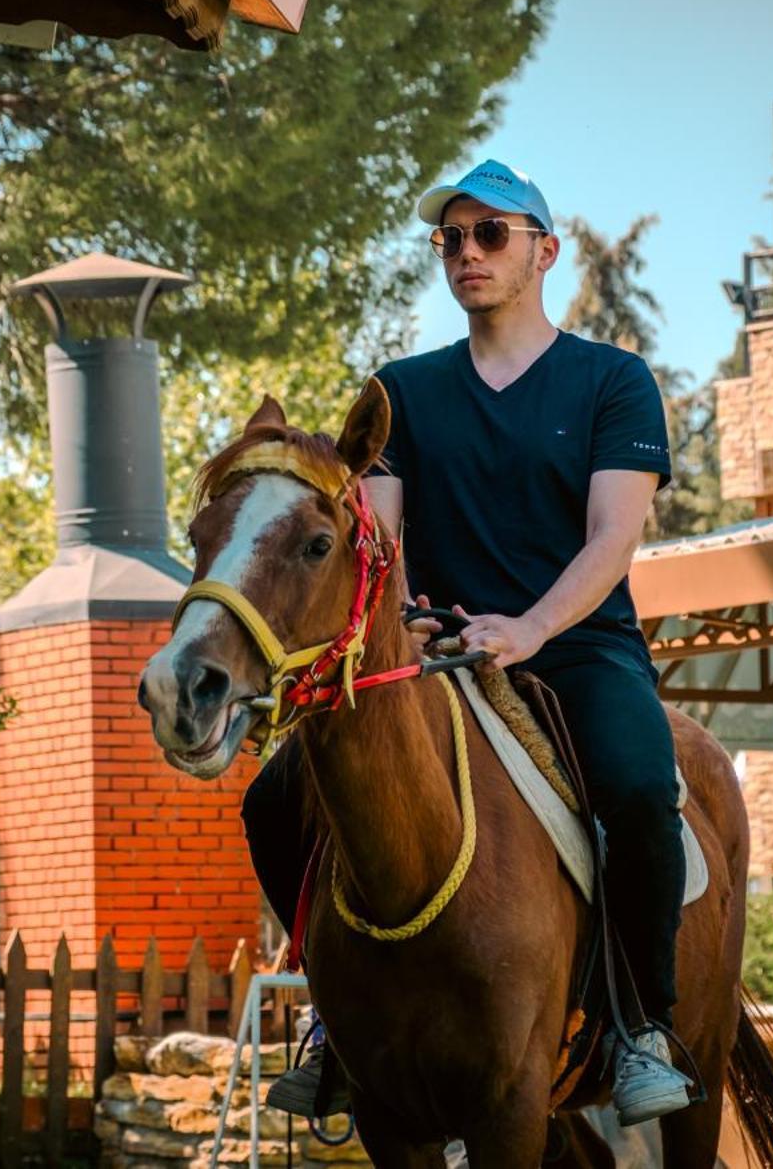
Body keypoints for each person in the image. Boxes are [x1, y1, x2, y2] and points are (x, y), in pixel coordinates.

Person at [240, 160, 693, 1126]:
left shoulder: (614, 381)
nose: (468, 253)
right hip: (432, 651)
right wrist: (414, 624)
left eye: (491, 234)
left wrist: (528, 627)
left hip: (574, 646)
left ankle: (641, 1025)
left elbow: (615, 536)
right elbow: (385, 540)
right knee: (272, 799)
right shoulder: (401, 391)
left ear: (545, 249)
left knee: (643, 789)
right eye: (451, 237)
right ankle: (334, 1022)